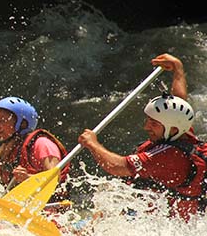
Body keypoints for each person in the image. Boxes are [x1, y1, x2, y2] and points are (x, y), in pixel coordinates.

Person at [77, 93, 206, 221]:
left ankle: (88, 231)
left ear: (173, 129)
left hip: (171, 225)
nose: (146, 127)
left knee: (112, 195)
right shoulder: (182, 130)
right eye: (148, 120)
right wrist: (177, 72)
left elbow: (116, 167)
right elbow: (179, 101)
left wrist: (92, 144)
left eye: (154, 124)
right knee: (112, 193)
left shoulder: (170, 156)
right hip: (165, 213)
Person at [0, 96, 70, 202]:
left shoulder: (42, 144)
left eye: (2, 120)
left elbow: (54, 180)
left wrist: (28, 178)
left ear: (22, 124)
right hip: (22, 209)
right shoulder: (5, 152)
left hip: (52, 209)